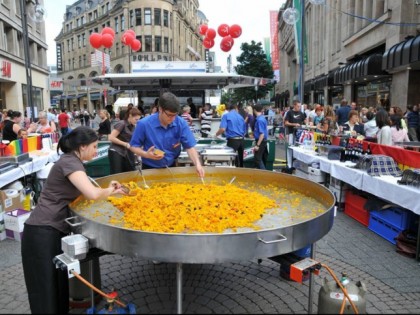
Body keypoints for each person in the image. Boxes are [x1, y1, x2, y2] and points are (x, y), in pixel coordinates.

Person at [21, 126, 127, 314]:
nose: (96, 150)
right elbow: (93, 193)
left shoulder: (73, 162)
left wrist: (110, 188)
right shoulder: (70, 162)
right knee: (45, 292)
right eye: (94, 147)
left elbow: (89, 187)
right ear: (83, 146)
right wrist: (111, 191)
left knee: (58, 288)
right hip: (41, 232)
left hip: (52, 231)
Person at [129, 92, 204, 178]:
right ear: (160, 109)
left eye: (175, 115)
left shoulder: (181, 123)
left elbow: (189, 147)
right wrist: (146, 154)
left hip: (171, 166)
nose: (172, 119)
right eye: (169, 115)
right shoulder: (144, 124)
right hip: (149, 169)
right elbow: (133, 146)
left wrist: (198, 164)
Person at [108, 107, 142, 174]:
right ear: (130, 116)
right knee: (117, 173)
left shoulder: (133, 126)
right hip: (116, 151)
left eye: (139, 119)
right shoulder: (122, 123)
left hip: (126, 152)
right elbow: (111, 137)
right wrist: (125, 144)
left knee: (128, 172)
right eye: (136, 119)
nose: (137, 121)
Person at [253, 104, 269, 169]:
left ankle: (264, 173)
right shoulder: (262, 118)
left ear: (254, 110)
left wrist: (257, 145)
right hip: (262, 141)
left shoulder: (260, 120)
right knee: (261, 158)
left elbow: (262, 134)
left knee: (258, 159)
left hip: (261, 141)